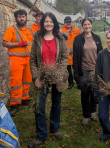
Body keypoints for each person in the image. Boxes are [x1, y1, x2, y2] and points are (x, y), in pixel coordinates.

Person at [28, 12, 69, 148]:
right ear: (42, 23)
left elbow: (64, 57)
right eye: (46, 21)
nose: (48, 24)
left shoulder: (60, 38)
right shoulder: (37, 39)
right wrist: (36, 77)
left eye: (51, 21)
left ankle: (54, 129)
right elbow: (33, 60)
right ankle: (41, 135)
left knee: (56, 105)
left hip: (58, 77)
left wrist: (59, 72)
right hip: (42, 78)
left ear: (54, 23)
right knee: (39, 106)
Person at [2, 9, 34, 116]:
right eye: (20, 16)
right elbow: (4, 43)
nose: (22, 18)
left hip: (28, 59)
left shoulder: (30, 29)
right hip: (15, 59)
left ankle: (24, 98)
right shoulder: (11, 29)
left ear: (26, 18)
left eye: (24, 16)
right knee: (16, 81)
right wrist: (18, 45)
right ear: (16, 18)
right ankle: (14, 104)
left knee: (27, 80)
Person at [73, 18, 103, 126]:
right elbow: (75, 56)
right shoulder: (78, 39)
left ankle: (93, 112)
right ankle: (86, 116)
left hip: (95, 70)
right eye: (85, 24)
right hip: (83, 70)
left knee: (94, 92)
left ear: (91, 25)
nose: (87, 26)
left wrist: (102, 70)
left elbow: (101, 54)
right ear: (82, 26)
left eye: (88, 24)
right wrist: (76, 73)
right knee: (85, 93)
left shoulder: (97, 38)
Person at [60, 16, 81, 89]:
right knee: (68, 70)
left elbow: (81, 40)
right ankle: (70, 83)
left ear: (71, 22)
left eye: (69, 22)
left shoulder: (77, 30)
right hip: (66, 55)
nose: (68, 23)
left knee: (77, 69)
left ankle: (79, 83)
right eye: (67, 22)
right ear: (64, 23)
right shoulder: (61, 31)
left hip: (75, 54)